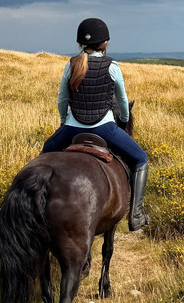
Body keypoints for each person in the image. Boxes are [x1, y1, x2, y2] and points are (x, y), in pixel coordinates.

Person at [41, 18, 149, 231]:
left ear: (81, 44)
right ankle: (136, 215)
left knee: (44, 156)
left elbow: (62, 100)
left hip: (72, 127)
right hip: (104, 128)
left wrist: (65, 122)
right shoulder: (113, 66)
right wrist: (124, 120)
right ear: (105, 43)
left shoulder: (70, 65)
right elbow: (122, 101)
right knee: (141, 159)